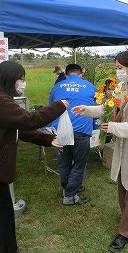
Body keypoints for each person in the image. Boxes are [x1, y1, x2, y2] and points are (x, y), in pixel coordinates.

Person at [0, 61, 68, 253]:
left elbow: (18, 130)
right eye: (21, 79)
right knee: (3, 211)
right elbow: (31, 121)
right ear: (10, 79)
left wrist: (47, 140)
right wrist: (58, 106)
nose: (22, 83)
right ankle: (7, 249)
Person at [72, 50, 128, 252]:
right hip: (123, 143)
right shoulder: (122, 87)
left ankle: (125, 232)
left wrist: (114, 128)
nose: (117, 71)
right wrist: (85, 109)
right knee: (122, 179)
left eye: (120, 67)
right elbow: (106, 108)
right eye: (116, 67)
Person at [49, 64, 96, 205]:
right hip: (81, 130)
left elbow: (51, 106)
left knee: (64, 162)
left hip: (61, 130)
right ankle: (70, 196)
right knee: (79, 164)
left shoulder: (58, 86)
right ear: (81, 74)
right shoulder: (90, 86)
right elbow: (95, 107)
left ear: (67, 74)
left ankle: (67, 188)